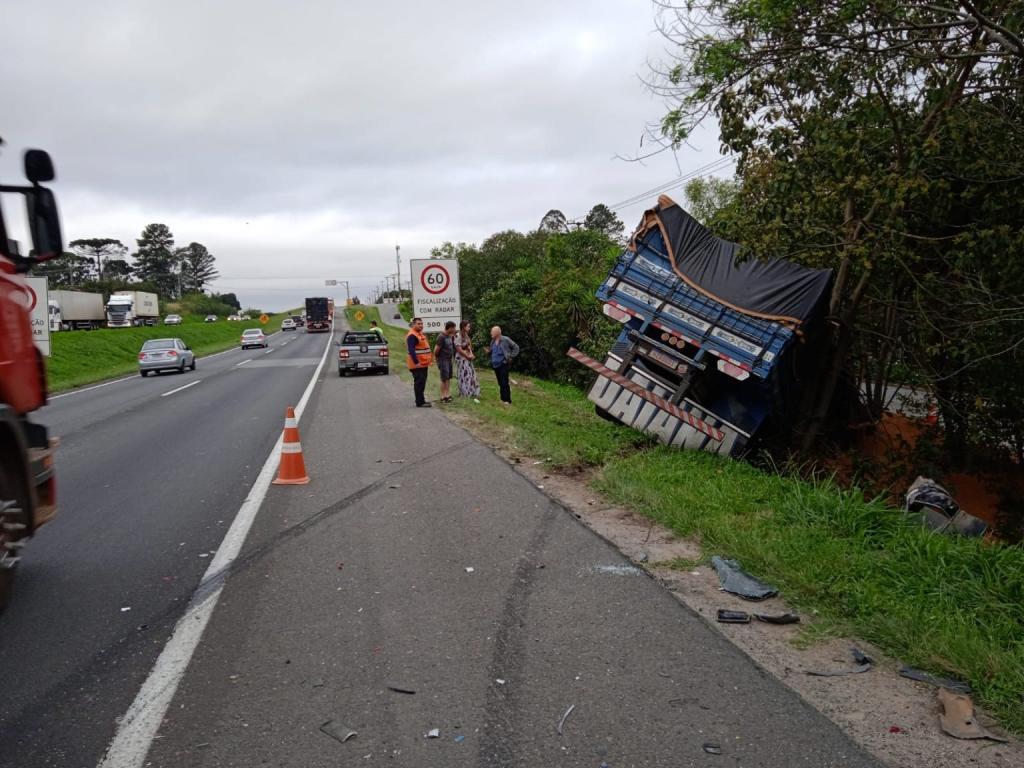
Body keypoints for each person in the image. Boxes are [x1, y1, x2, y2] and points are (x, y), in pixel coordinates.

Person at [486, 325, 519, 405]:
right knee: (500, 383)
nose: (491, 333)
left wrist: (511, 356)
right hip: (495, 365)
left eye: (492, 332)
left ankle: (507, 400)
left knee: (504, 382)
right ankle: (502, 399)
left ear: (497, 332)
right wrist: (488, 352)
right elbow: (492, 351)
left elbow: (516, 347)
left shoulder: (505, 339)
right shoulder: (493, 341)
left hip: (503, 364)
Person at [405, 317, 433, 407]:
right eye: (418, 324)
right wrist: (417, 363)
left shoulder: (419, 334)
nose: (421, 325)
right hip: (417, 365)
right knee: (419, 383)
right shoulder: (412, 335)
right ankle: (419, 402)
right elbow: (411, 350)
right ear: (413, 324)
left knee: (422, 382)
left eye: (421, 324)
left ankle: (422, 400)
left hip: (423, 363)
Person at [455, 320, 480, 400]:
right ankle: (464, 392)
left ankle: (472, 391)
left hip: (467, 357)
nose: (469, 328)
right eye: (468, 326)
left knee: (471, 374)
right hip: (461, 358)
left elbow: (469, 346)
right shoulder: (457, 335)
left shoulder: (466, 335)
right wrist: (467, 356)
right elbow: (459, 349)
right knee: (464, 374)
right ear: (463, 327)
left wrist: (471, 354)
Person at [433, 321, 457, 403]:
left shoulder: (450, 336)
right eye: (454, 328)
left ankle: (448, 394)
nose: (455, 329)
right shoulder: (441, 337)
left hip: (449, 360)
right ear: (449, 328)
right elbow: (436, 350)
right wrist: (438, 360)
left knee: (448, 378)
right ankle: (443, 396)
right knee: (444, 378)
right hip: (443, 360)